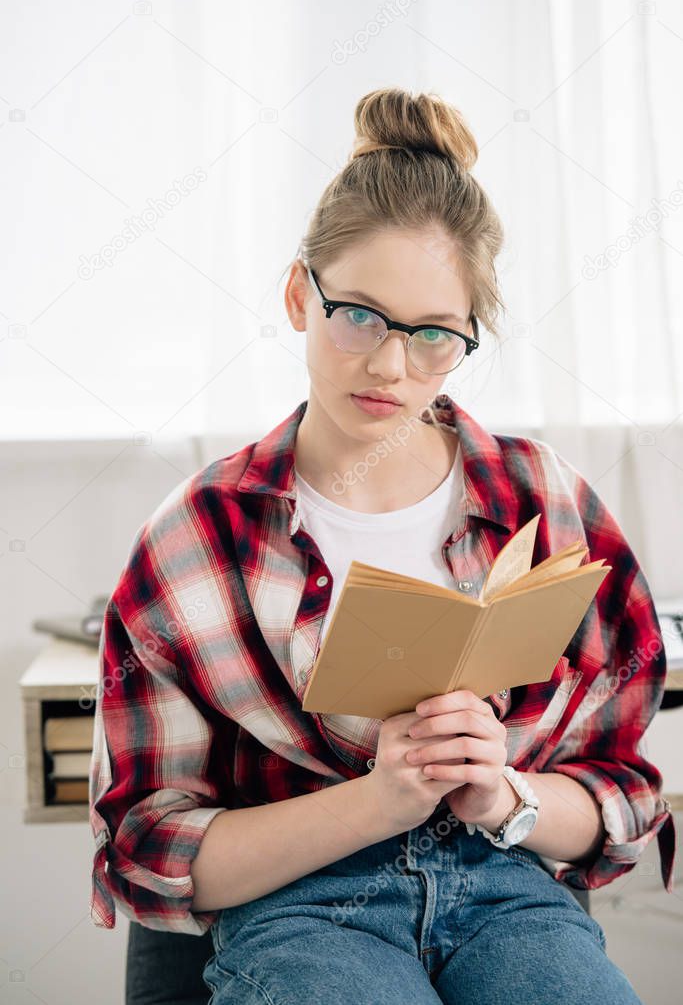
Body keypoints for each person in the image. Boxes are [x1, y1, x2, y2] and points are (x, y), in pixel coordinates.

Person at [89, 87, 675, 1004]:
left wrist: (503, 795)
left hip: (507, 890)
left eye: (433, 334)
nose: (390, 365)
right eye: (358, 314)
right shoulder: (196, 534)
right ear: (298, 295)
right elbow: (148, 843)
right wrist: (377, 799)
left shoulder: (545, 498)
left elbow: (623, 788)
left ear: (464, 339)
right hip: (300, 906)